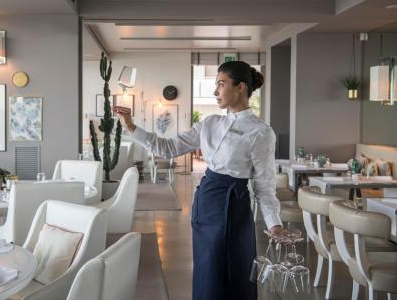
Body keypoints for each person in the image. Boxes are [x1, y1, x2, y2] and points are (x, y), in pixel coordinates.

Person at [113, 60, 282, 300]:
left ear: (241, 87)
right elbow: (168, 147)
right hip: (206, 202)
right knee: (207, 268)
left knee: (234, 269)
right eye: (216, 85)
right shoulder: (210, 123)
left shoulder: (261, 133)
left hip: (234, 204)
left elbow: (265, 184)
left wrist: (273, 223)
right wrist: (130, 126)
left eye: (221, 85)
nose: (215, 91)